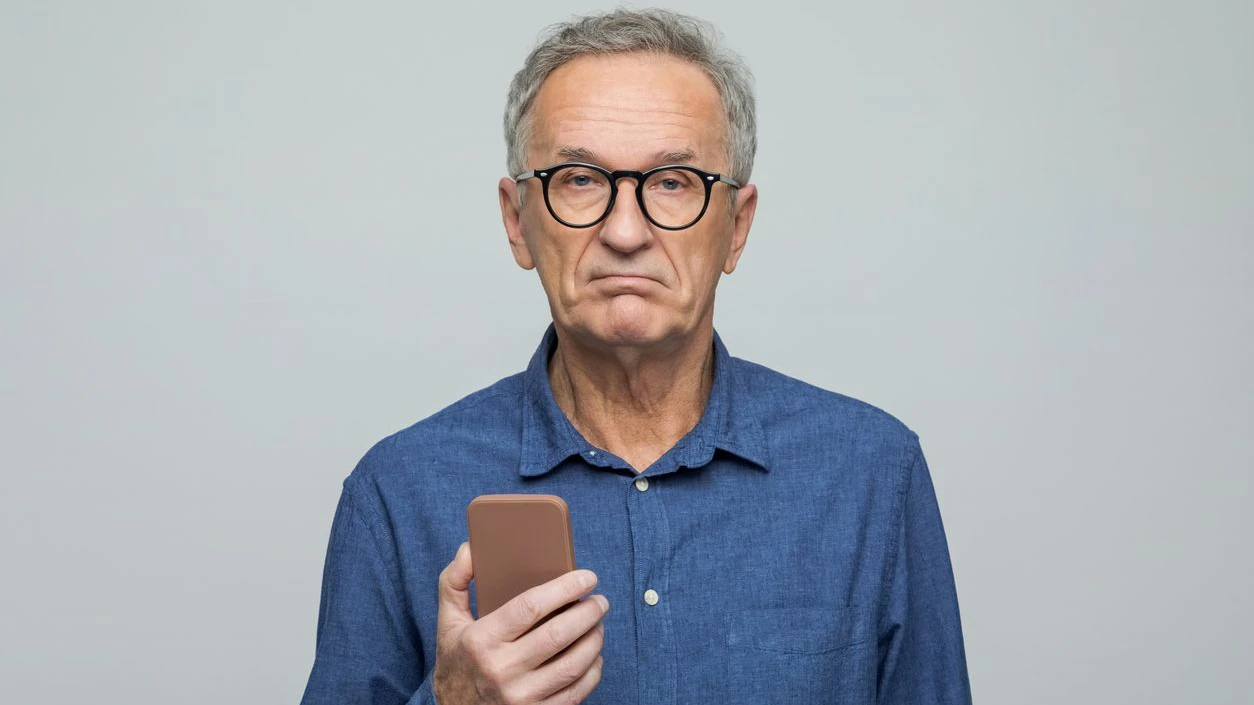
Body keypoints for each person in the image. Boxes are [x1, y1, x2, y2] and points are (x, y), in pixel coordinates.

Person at [300, 8, 970, 705]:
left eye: (674, 181)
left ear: (737, 227)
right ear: (516, 221)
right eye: (580, 179)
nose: (625, 231)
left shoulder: (871, 474)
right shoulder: (396, 490)